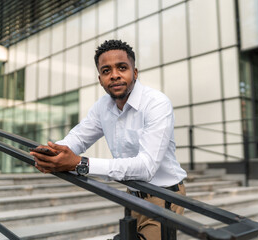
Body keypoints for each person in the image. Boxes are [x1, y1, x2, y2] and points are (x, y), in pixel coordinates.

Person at [30, 39, 187, 240]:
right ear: (100, 78)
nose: (114, 75)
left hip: (164, 196)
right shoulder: (102, 106)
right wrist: (55, 153)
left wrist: (80, 164)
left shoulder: (157, 103)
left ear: (135, 72)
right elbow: (79, 136)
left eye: (122, 68)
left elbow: (146, 167)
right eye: (106, 71)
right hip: (132, 195)